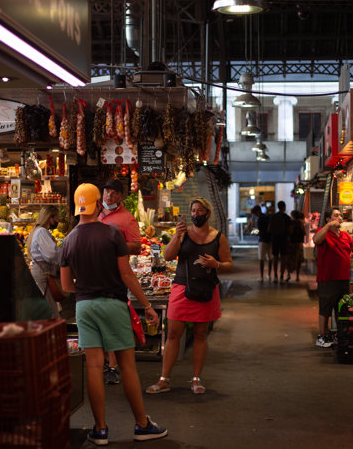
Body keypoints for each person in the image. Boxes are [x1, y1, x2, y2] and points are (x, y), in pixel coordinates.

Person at [60, 183, 167, 445]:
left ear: (77, 207)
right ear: (98, 204)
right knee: (127, 366)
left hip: (84, 307)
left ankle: (100, 430)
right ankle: (141, 425)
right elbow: (127, 274)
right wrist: (149, 306)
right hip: (113, 303)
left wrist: (85, 289)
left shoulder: (69, 240)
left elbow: (65, 286)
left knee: (95, 367)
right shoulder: (111, 234)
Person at [146, 197, 232, 395]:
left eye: (199, 211)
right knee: (173, 334)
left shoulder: (218, 237)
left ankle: (196, 379)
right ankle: (164, 379)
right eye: (193, 211)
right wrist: (177, 236)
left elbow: (228, 263)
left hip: (206, 290)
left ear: (208, 213)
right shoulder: (183, 234)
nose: (195, 214)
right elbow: (167, 257)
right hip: (182, 288)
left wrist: (216, 265)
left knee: (201, 334)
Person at [99, 178, 141, 385]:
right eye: (106, 191)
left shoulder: (127, 218)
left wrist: (113, 244)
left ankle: (113, 366)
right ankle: (104, 364)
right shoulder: (95, 214)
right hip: (96, 275)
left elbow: (136, 246)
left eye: (114, 193)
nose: (109, 196)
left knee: (112, 323)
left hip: (116, 277)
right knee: (99, 323)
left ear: (121, 196)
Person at [313, 207, 353, 348]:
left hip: (343, 279)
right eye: (336, 215)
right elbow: (316, 240)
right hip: (327, 279)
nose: (340, 218)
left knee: (342, 309)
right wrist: (327, 227)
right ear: (328, 219)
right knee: (325, 310)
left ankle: (340, 335)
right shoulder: (323, 233)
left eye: (340, 216)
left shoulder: (345, 235)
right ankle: (322, 336)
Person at [26, 205, 63, 318]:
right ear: (49, 217)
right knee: (50, 310)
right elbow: (51, 255)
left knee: (48, 307)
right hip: (43, 273)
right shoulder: (42, 231)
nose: (57, 221)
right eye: (56, 217)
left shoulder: (35, 230)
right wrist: (62, 252)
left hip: (40, 272)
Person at [268, 200, 291, 283]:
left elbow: (269, 229)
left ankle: (275, 276)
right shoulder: (287, 218)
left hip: (275, 239)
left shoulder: (273, 217)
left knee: (275, 257)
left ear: (278, 207)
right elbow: (290, 230)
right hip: (284, 239)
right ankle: (281, 276)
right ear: (284, 207)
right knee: (283, 258)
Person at [250, 205, 272, 283]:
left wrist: (256, 234)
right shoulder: (268, 217)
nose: (255, 215)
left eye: (255, 213)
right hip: (270, 240)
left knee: (261, 259)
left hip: (262, 240)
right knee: (270, 258)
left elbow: (261, 231)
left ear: (257, 211)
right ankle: (269, 275)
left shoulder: (260, 219)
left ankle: (261, 276)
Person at [285, 210, 306, 283]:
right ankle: (297, 276)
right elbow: (304, 233)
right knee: (298, 260)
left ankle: (288, 275)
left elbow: (288, 233)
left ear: (293, 216)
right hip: (299, 244)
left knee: (289, 259)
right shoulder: (301, 224)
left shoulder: (291, 224)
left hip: (291, 244)